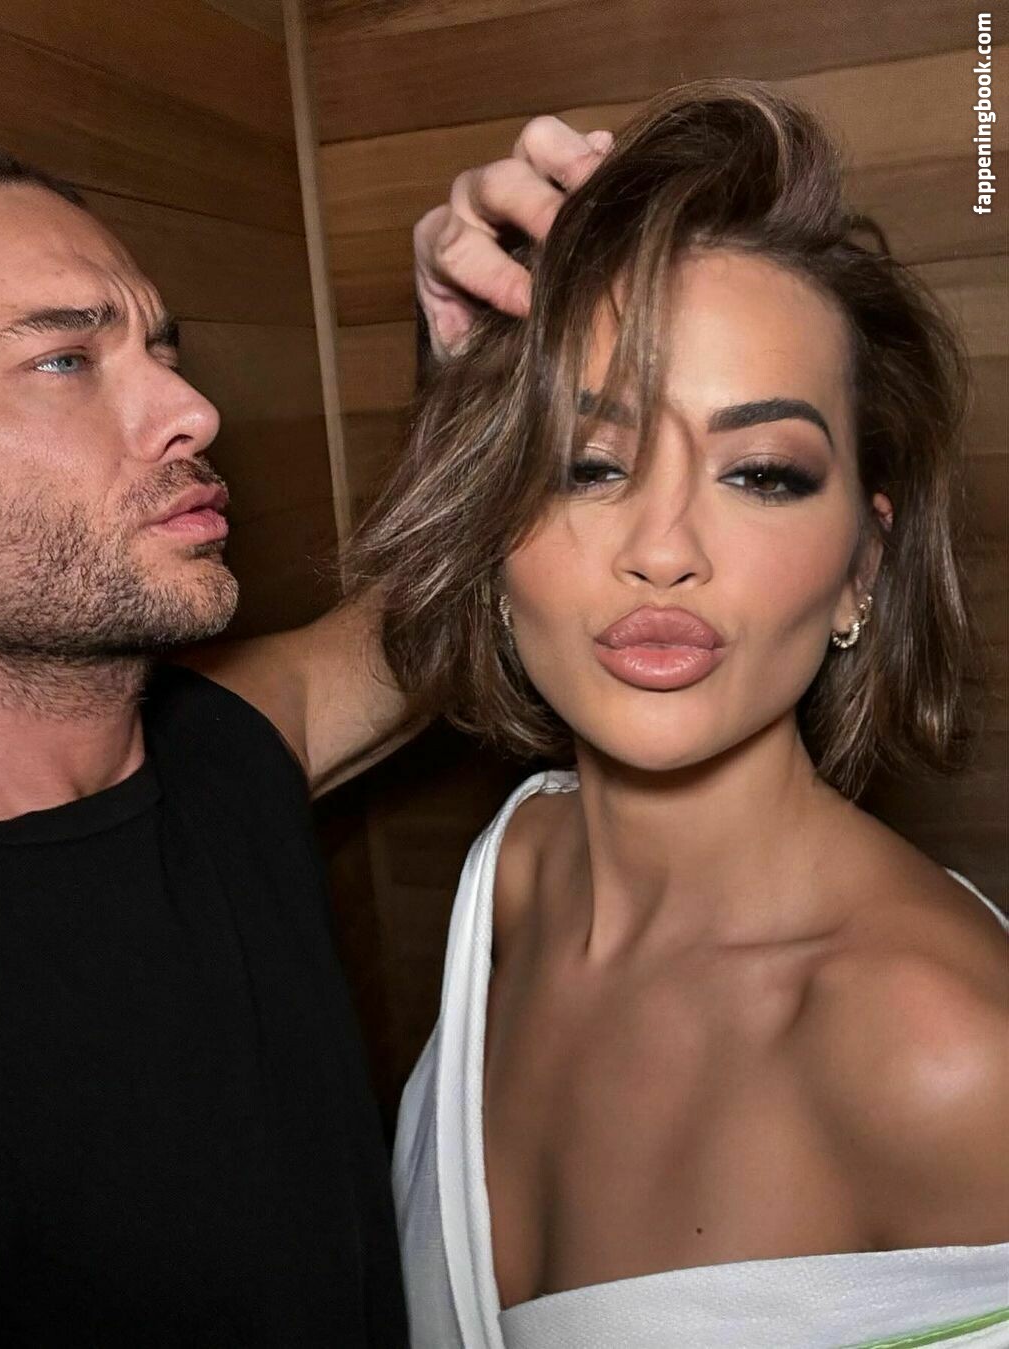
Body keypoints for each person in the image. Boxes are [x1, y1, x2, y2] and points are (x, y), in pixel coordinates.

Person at [347, 82, 1009, 1348]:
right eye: (587, 464)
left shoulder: (946, 1054)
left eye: (761, 473)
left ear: (862, 569)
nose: (662, 547)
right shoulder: (519, 872)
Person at [0, 121, 606, 1344]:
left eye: (161, 347)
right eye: (65, 359)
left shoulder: (219, 748)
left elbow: (427, 618)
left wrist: (477, 364)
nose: (191, 408)